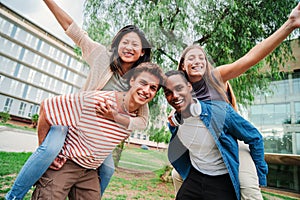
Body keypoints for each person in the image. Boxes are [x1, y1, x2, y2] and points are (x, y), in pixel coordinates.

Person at [5, 0, 153, 199]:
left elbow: (142, 120)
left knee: (107, 170)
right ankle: (14, 195)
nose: (128, 47)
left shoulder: (140, 82)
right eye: (124, 42)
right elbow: (73, 29)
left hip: (94, 137)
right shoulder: (102, 57)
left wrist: (117, 117)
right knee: (50, 149)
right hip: (73, 122)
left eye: (135, 44)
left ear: (142, 51)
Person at [169, 3, 300, 199]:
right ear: (183, 66)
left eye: (201, 57)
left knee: (248, 190)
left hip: (232, 143)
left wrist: (289, 25)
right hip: (206, 152)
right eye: (190, 58)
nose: (197, 61)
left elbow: (250, 58)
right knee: (177, 174)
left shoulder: (215, 77)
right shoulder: (179, 90)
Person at [28, 63, 164, 199]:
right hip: (65, 163)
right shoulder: (100, 101)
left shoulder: (137, 118)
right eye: (143, 83)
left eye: (153, 88)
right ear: (132, 81)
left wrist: (115, 117)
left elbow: (142, 124)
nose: (146, 90)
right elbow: (47, 106)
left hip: (89, 171)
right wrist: (46, 152)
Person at [164, 70, 267, 200]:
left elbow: (255, 137)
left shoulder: (221, 111)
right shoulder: (175, 120)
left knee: (249, 189)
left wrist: (260, 174)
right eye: (168, 92)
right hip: (197, 175)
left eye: (179, 88)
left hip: (223, 174)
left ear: (190, 87)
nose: (174, 95)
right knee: (176, 176)